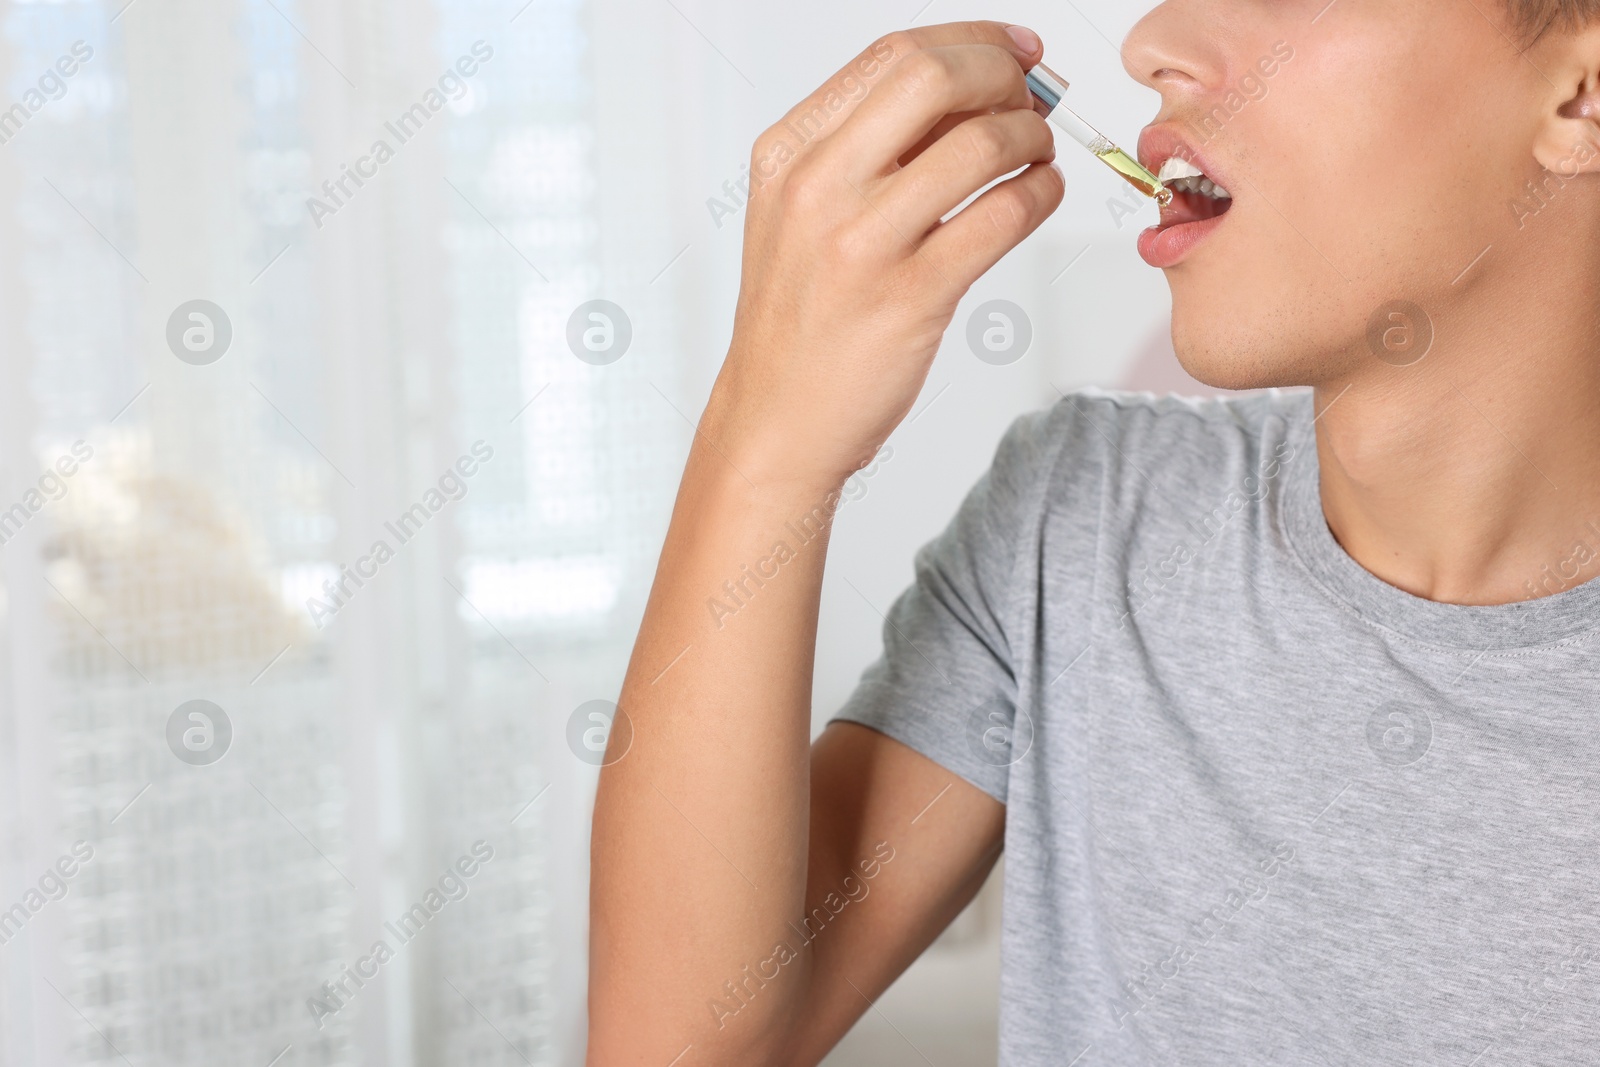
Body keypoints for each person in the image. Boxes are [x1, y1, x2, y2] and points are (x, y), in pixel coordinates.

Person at [589, 4, 1600, 1063]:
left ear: (1578, 91)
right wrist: (767, 441)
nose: (1149, 42)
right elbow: (678, 1044)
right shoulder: (1082, 518)